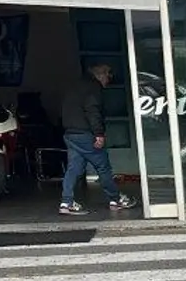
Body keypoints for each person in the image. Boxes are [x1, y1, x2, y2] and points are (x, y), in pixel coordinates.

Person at [58, 62, 137, 215]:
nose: (109, 80)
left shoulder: (74, 86)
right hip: (85, 134)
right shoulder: (93, 87)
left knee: (73, 169)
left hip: (70, 133)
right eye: (108, 76)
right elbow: (93, 111)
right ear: (101, 74)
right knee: (103, 167)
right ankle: (116, 199)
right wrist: (99, 134)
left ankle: (66, 202)